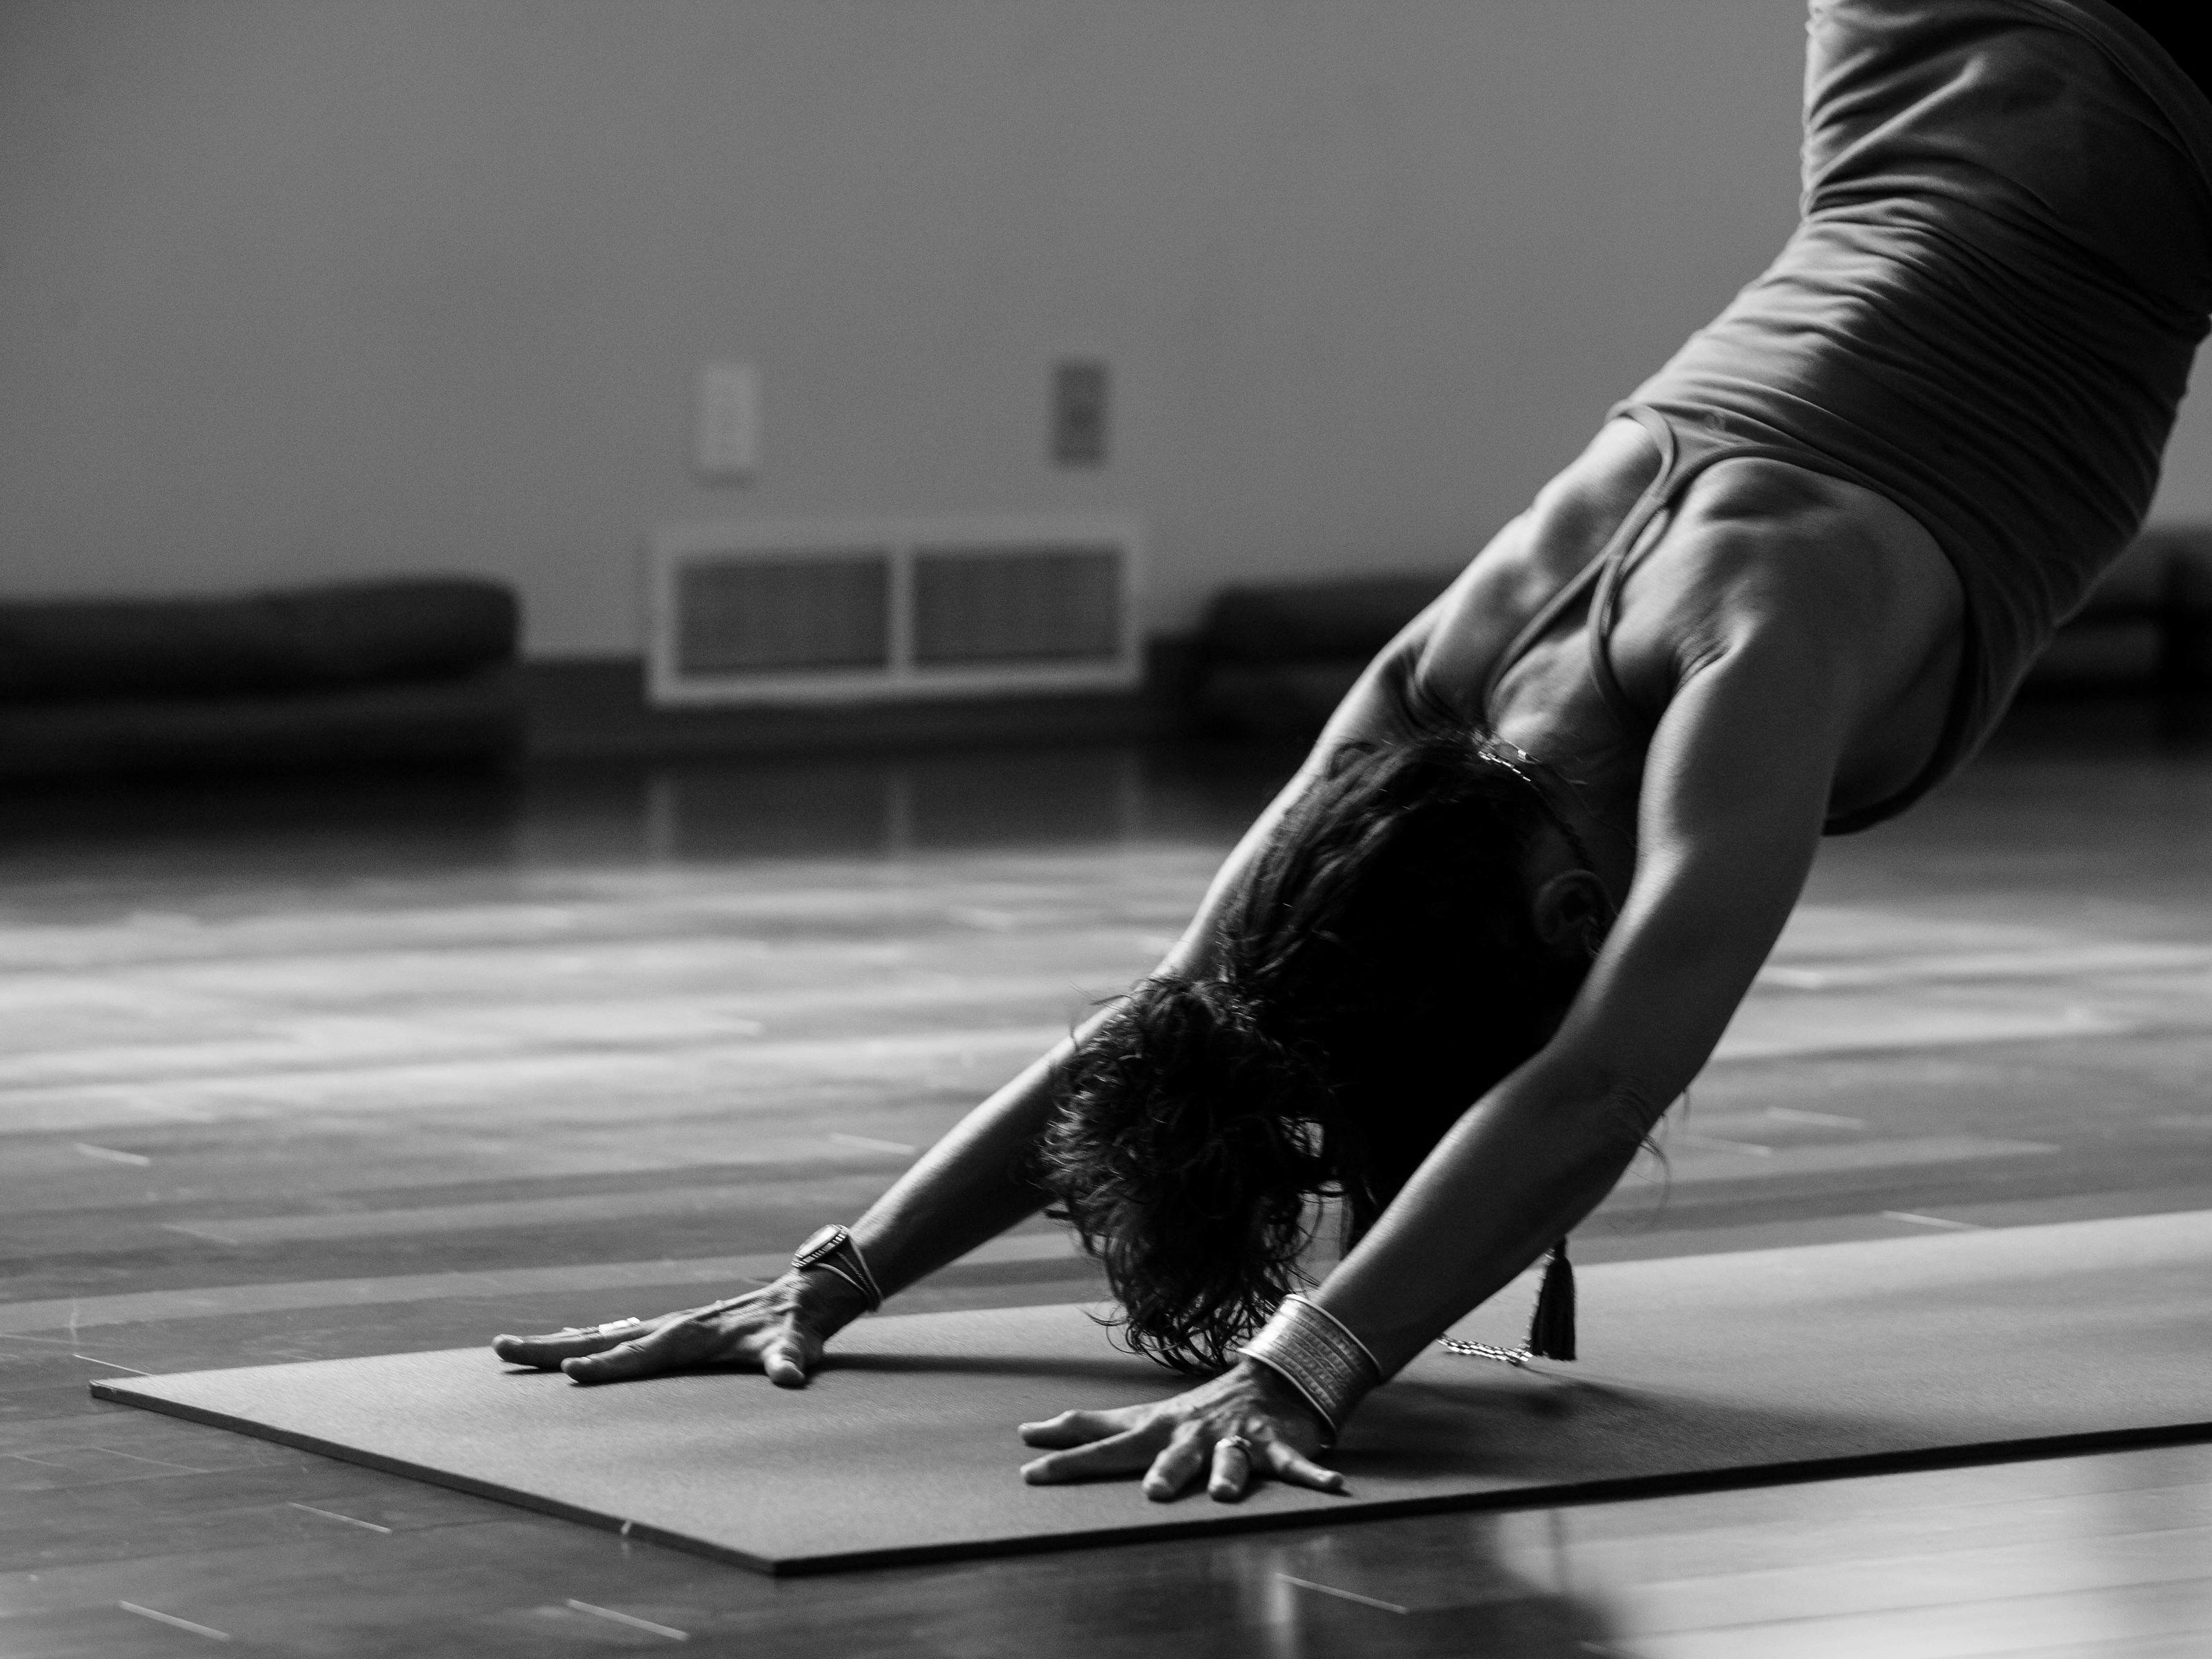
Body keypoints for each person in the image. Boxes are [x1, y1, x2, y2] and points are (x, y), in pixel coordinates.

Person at [496, 0, 2212, 1504]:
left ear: (1559, 928)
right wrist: (838, 1277)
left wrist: (1304, 1365)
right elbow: (1174, 1015)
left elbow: (1596, 1085)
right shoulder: (1428, 701)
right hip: (1910, 57)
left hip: (2138, 110)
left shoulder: (1745, 660)